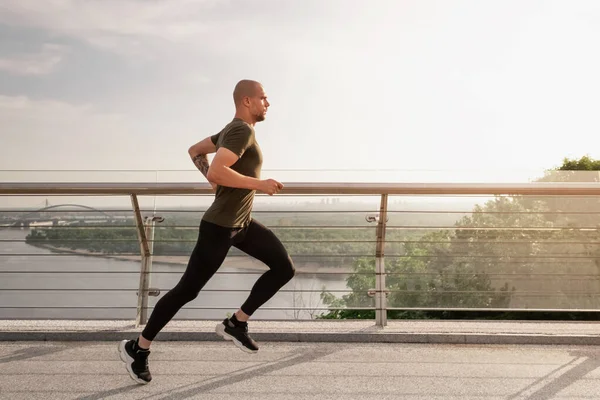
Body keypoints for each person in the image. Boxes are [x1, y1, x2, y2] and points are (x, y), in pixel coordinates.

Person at [118, 79, 296, 384]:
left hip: (240, 224)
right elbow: (216, 169)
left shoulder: (228, 130)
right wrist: (259, 184)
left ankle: (236, 323)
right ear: (247, 101)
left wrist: (216, 181)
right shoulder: (241, 130)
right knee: (187, 290)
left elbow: (195, 151)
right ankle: (138, 348)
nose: (268, 103)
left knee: (283, 268)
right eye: (264, 98)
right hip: (219, 227)